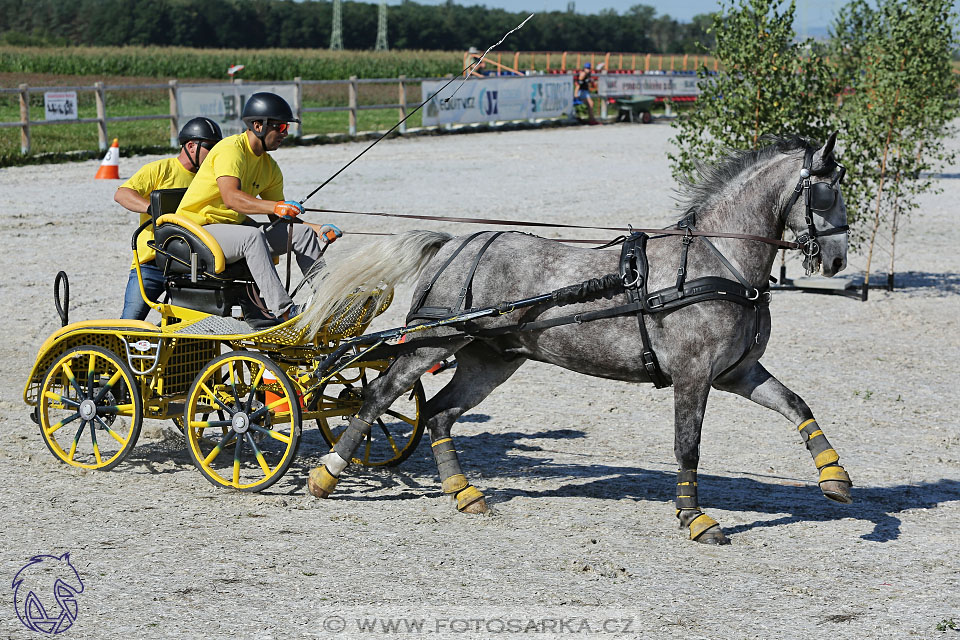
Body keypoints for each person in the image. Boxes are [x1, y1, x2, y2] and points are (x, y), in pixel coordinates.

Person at [175, 92, 341, 321]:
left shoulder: (270, 167)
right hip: (197, 231)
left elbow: (280, 219)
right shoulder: (230, 150)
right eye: (281, 127)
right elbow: (232, 198)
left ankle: (331, 301)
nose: (285, 133)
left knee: (301, 234)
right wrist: (276, 207)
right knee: (251, 236)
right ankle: (283, 310)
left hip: (230, 233)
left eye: (287, 128)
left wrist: (316, 228)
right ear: (258, 125)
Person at [115, 117, 223, 320]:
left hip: (188, 265)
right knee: (130, 322)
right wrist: (152, 209)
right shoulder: (159, 169)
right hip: (150, 263)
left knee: (190, 325)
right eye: (211, 147)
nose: (215, 154)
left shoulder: (209, 178)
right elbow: (122, 194)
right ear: (191, 146)